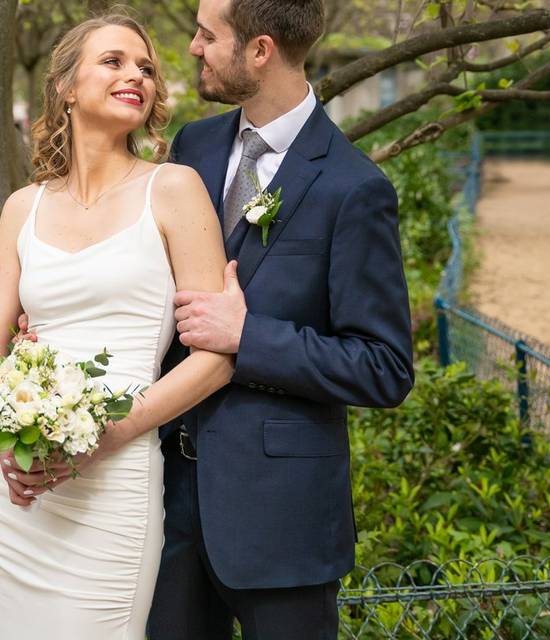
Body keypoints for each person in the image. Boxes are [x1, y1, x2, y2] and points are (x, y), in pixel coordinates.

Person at [146, 0, 415, 637]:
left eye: (208, 36)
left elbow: (385, 368)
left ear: (259, 51)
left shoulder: (354, 188)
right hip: (169, 507)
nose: (192, 48)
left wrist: (248, 337)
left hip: (282, 522)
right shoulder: (194, 146)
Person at [0, 14, 236, 639]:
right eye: (113, 61)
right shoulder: (23, 208)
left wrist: (107, 435)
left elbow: (216, 357)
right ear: (65, 86)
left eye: (145, 68)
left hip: (114, 480)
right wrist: (10, 442)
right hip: (19, 491)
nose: (136, 76)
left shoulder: (173, 189)